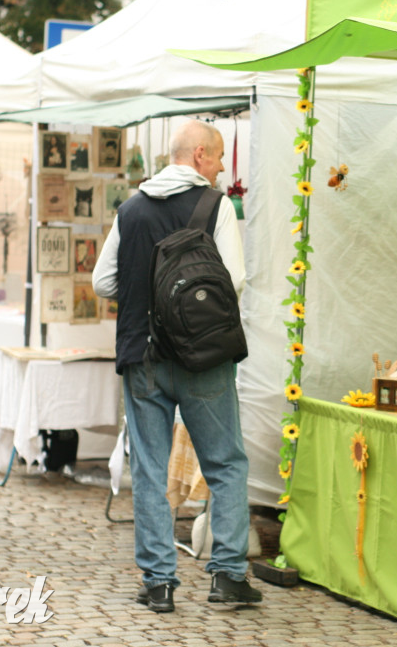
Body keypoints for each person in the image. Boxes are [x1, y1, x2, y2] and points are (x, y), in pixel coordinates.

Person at [92, 121, 257, 613]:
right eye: (222, 155)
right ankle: (228, 575)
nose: (225, 166)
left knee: (149, 466)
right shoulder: (215, 206)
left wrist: (149, 296)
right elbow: (235, 281)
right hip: (204, 358)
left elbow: (103, 281)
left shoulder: (132, 208)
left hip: (143, 357)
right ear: (201, 155)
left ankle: (159, 582)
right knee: (226, 463)